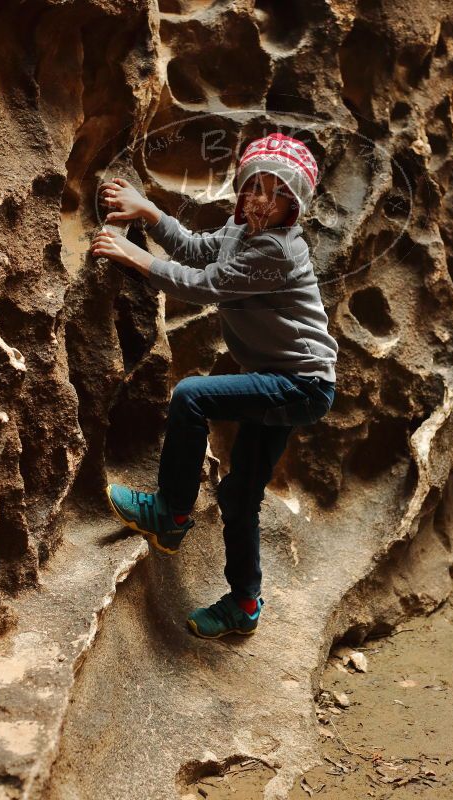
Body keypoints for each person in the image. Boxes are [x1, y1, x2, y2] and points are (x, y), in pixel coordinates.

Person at [90, 133, 339, 639]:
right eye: (253, 186)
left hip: (302, 383)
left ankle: (170, 512)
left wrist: (132, 256)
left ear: (294, 206)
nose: (258, 200)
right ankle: (245, 603)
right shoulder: (242, 229)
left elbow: (202, 286)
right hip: (278, 379)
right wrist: (148, 213)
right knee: (240, 495)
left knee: (192, 395)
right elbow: (197, 250)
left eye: (274, 192)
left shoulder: (276, 250)